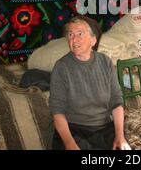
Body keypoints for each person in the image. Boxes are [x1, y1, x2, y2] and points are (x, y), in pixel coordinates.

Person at [49, 15, 128, 150]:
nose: (74, 39)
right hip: (73, 130)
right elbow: (57, 111)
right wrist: (69, 144)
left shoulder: (105, 62)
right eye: (70, 34)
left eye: (80, 34)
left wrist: (120, 136)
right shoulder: (61, 67)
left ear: (93, 40)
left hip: (104, 128)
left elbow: (116, 102)